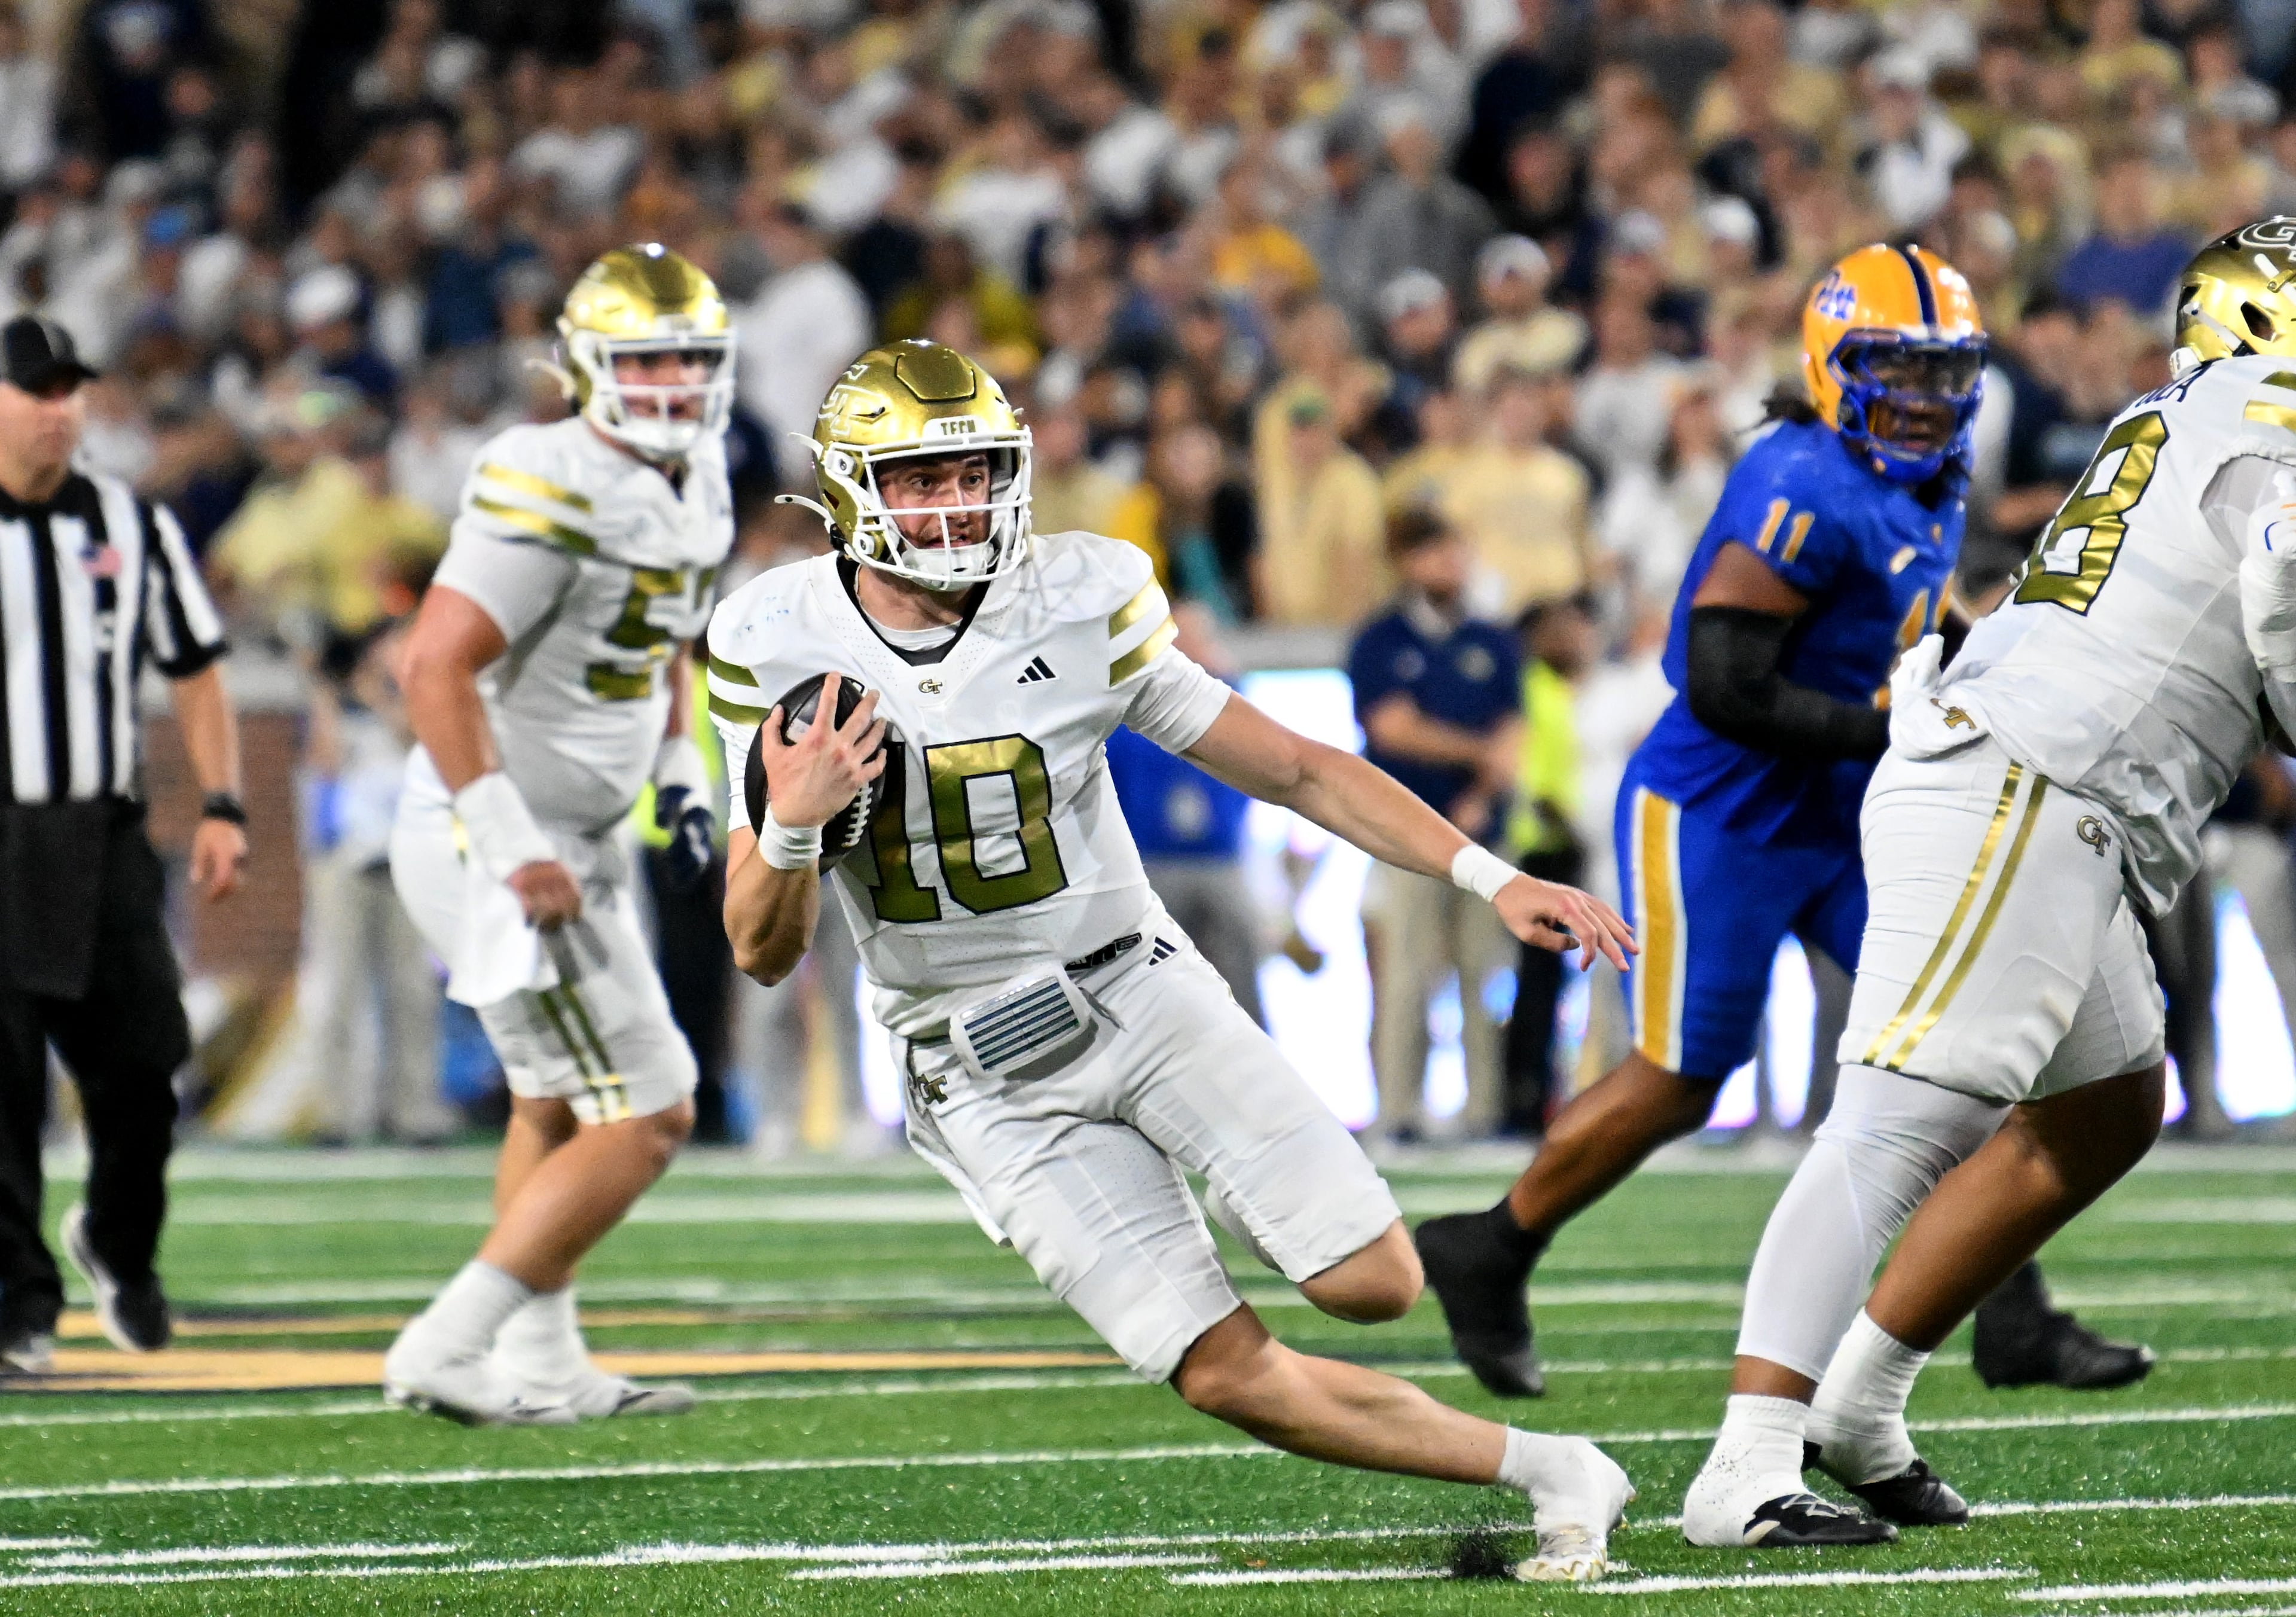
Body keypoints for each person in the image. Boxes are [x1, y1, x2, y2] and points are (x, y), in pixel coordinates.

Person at [711, 338, 1640, 1582]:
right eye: (923, 477)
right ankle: (1554, 1466)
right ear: (849, 488)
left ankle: (1221, 1170)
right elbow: (760, 947)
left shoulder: (1080, 594)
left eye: (975, 471)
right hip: (978, 1067)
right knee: (1219, 1368)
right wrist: (791, 819)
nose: (957, 504)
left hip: (1134, 984)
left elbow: (1298, 764)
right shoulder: (772, 634)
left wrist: (1491, 872)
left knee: (1372, 1282)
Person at [1413, 245, 2145, 1432]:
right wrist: (1893, 724)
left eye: (1940, 371)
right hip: (1725, 812)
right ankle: (1489, 1245)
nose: (1918, 396)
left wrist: (1980, 661)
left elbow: (1911, 606)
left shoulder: (1931, 479)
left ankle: (2013, 1312)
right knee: (1685, 1077)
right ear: (1833, 365)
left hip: (1837, 810)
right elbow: (1723, 686)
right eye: (1891, 370)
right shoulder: (1796, 484)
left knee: (1958, 1039)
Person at [1679, 217, 2296, 1548]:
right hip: (2028, 779)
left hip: (2045, 780)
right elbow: (2285, 591)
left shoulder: (2180, 407)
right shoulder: (2274, 421)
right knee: (1902, 1122)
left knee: (2110, 1106)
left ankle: (1861, 1401)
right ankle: (1744, 1462)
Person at [381, 245, 734, 1425]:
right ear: (586, 366)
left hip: (577, 833)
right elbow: (431, 663)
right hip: (501, 834)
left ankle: (541, 1366)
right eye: (648, 359)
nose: (676, 381)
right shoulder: (549, 473)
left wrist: (680, 758)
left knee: (555, 1099)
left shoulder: (698, 472)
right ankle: (446, 1341)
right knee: (653, 1105)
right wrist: (509, 839)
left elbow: (667, 633)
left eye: (692, 357)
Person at [0, 315, 247, 1371]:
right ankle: (18, 1302)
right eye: (35, 389)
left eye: (70, 389)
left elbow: (194, 664)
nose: (60, 408)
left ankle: (117, 1237)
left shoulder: (129, 524)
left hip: (104, 835)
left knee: (147, 1063)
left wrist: (225, 803)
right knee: (2, 1086)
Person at [1349, 510, 1523, 1143]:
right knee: (1407, 975)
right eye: (1433, 551)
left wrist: (1482, 788)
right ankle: (1398, 1110)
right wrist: (1477, 756)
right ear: (1406, 563)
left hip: (1483, 830)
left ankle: (1483, 1111)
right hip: (1404, 835)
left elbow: (1513, 734)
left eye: (1455, 548)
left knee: (1484, 972)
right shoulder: (1381, 640)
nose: (1449, 563)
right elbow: (1391, 728)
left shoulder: (1494, 639)